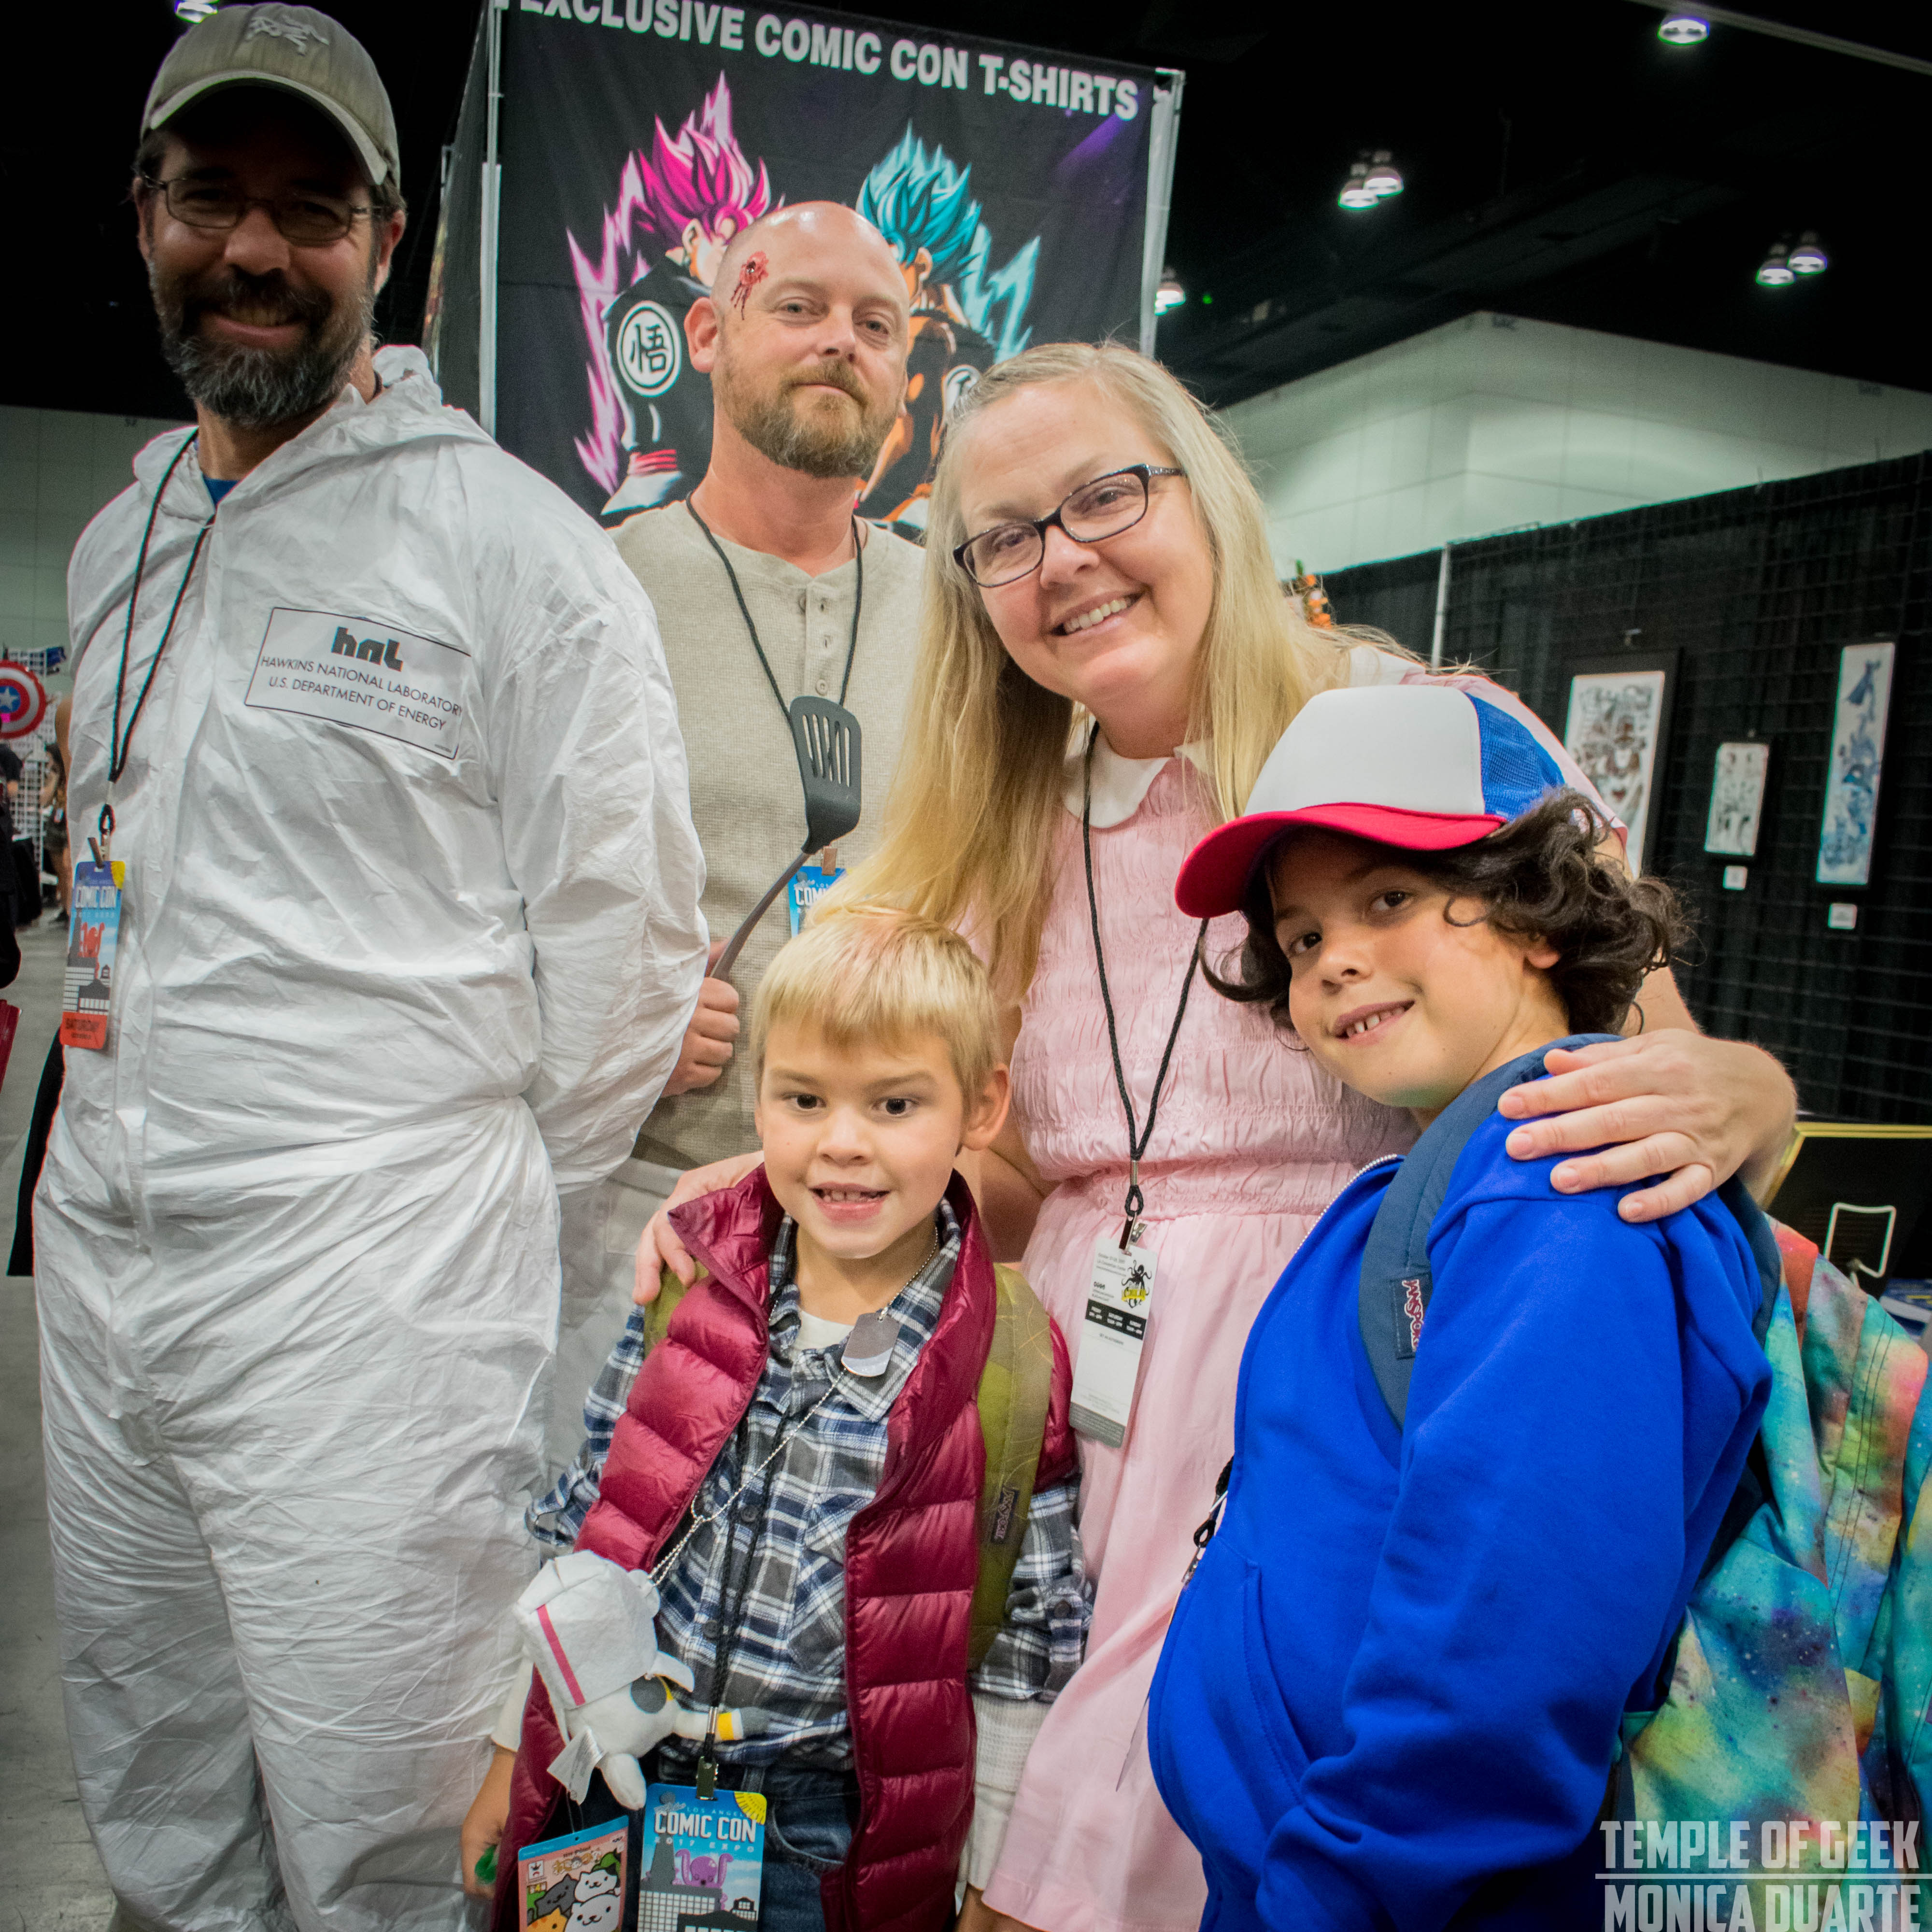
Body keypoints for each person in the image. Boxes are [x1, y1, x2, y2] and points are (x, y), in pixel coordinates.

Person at [638, 341, 1799, 1932]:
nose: (1065, 559)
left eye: (1104, 495)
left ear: (1206, 494)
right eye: (1004, 537)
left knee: (1295, 1817)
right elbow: (1006, 1161)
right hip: (1063, 1415)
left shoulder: (1415, 729)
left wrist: (1752, 1095)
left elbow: (1619, 1042)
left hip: (1341, 1391)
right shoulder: (991, 815)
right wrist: (795, 1184)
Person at [34, 9, 705, 1927]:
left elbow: (629, 957)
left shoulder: (510, 552)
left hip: (371, 1296)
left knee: (387, 1801)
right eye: (210, 198)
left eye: (310, 210)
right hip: (109, 1253)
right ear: (144, 214)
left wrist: (435, 1200)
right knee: (157, 1759)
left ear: (388, 242)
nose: (254, 250)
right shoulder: (120, 539)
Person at [1148, 682, 1773, 1927]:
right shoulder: (1463, 1175)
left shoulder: (1557, 1190)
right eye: (1301, 936)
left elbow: (1504, 1643)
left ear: (1534, 911)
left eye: (1387, 897)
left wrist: (1333, 1892)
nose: (1333, 959)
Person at [472, 906, 1091, 1931]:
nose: (842, 1142)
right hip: (606, 1774)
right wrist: (513, 1747)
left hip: (816, 1838)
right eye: (804, 1098)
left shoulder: (1012, 1362)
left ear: (980, 1107)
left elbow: (1028, 1642)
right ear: (757, 1097)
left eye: (894, 1103)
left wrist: (993, 1879)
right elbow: (589, 1529)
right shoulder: (690, 1283)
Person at [575, 201, 924, 1419]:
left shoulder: (966, 614)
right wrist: (615, 1026)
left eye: (873, 324)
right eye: (797, 307)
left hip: (894, 1218)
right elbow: (478, 890)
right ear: (709, 333)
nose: (839, 341)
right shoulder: (595, 589)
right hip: (648, 1199)